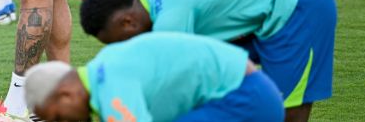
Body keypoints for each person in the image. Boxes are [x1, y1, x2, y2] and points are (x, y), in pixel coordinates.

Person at [78, 0, 337, 122]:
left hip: (297, 3)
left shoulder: (171, 21)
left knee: (288, 111)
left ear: (127, 23)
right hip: (264, 9)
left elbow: (175, 85)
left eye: (120, 44)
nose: (125, 51)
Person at [24, 32, 285, 122]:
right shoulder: (106, 65)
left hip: (245, 102)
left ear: (66, 94)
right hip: (248, 94)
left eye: (58, 118)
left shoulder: (110, 86)